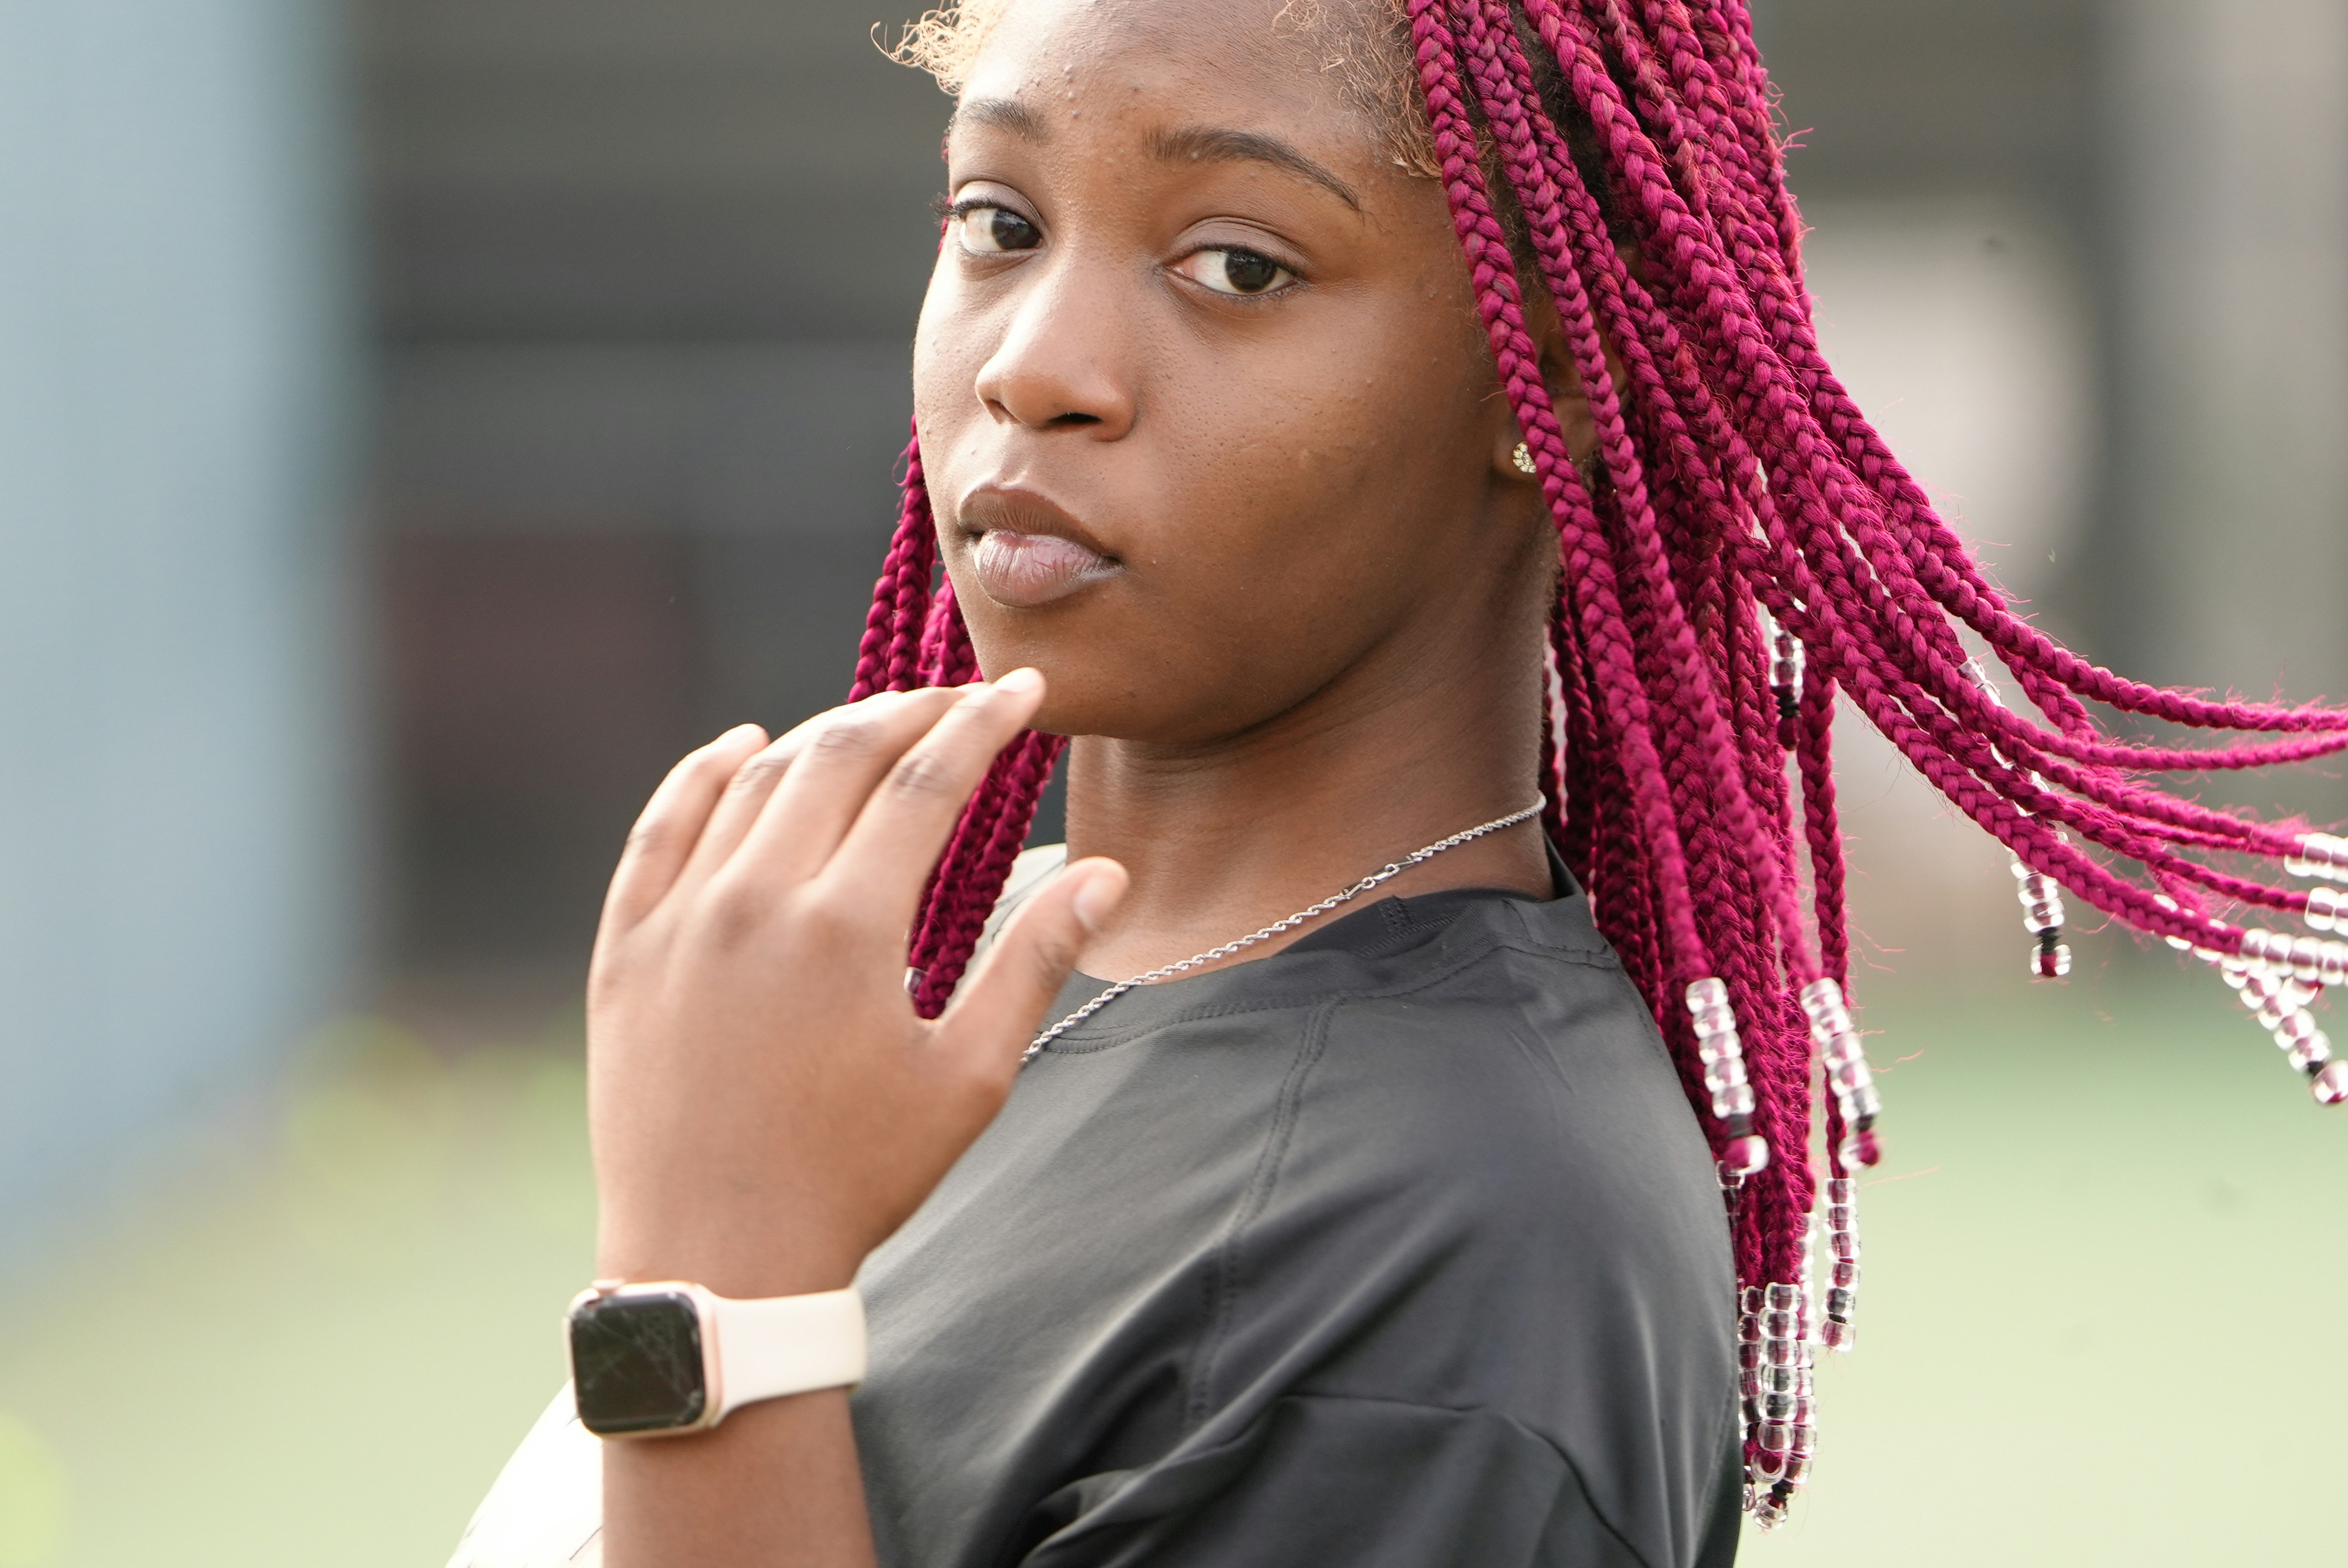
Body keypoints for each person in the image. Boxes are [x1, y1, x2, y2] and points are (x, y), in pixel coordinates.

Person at [449, 1, 2348, 1564]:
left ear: (1560, 380)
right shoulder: (966, 1011)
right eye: (1000, 225)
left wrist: (714, 1299)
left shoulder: (1450, 1279)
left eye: (1237, 264)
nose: (1036, 368)